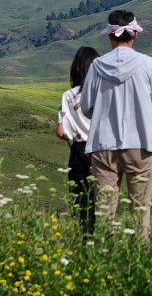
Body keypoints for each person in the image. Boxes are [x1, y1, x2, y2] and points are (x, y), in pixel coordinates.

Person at [80, 10, 152, 239]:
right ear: (135, 35)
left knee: (104, 209)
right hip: (140, 142)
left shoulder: (97, 66)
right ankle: (141, 259)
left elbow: (87, 107)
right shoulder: (147, 64)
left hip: (104, 143)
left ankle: (103, 259)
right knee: (141, 208)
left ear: (110, 36)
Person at [57, 46, 100, 232]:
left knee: (81, 203)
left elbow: (61, 131)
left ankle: (84, 242)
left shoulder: (69, 95)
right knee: (103, 203)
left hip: (78, 151)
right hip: (101, 149)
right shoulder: (103, 94)